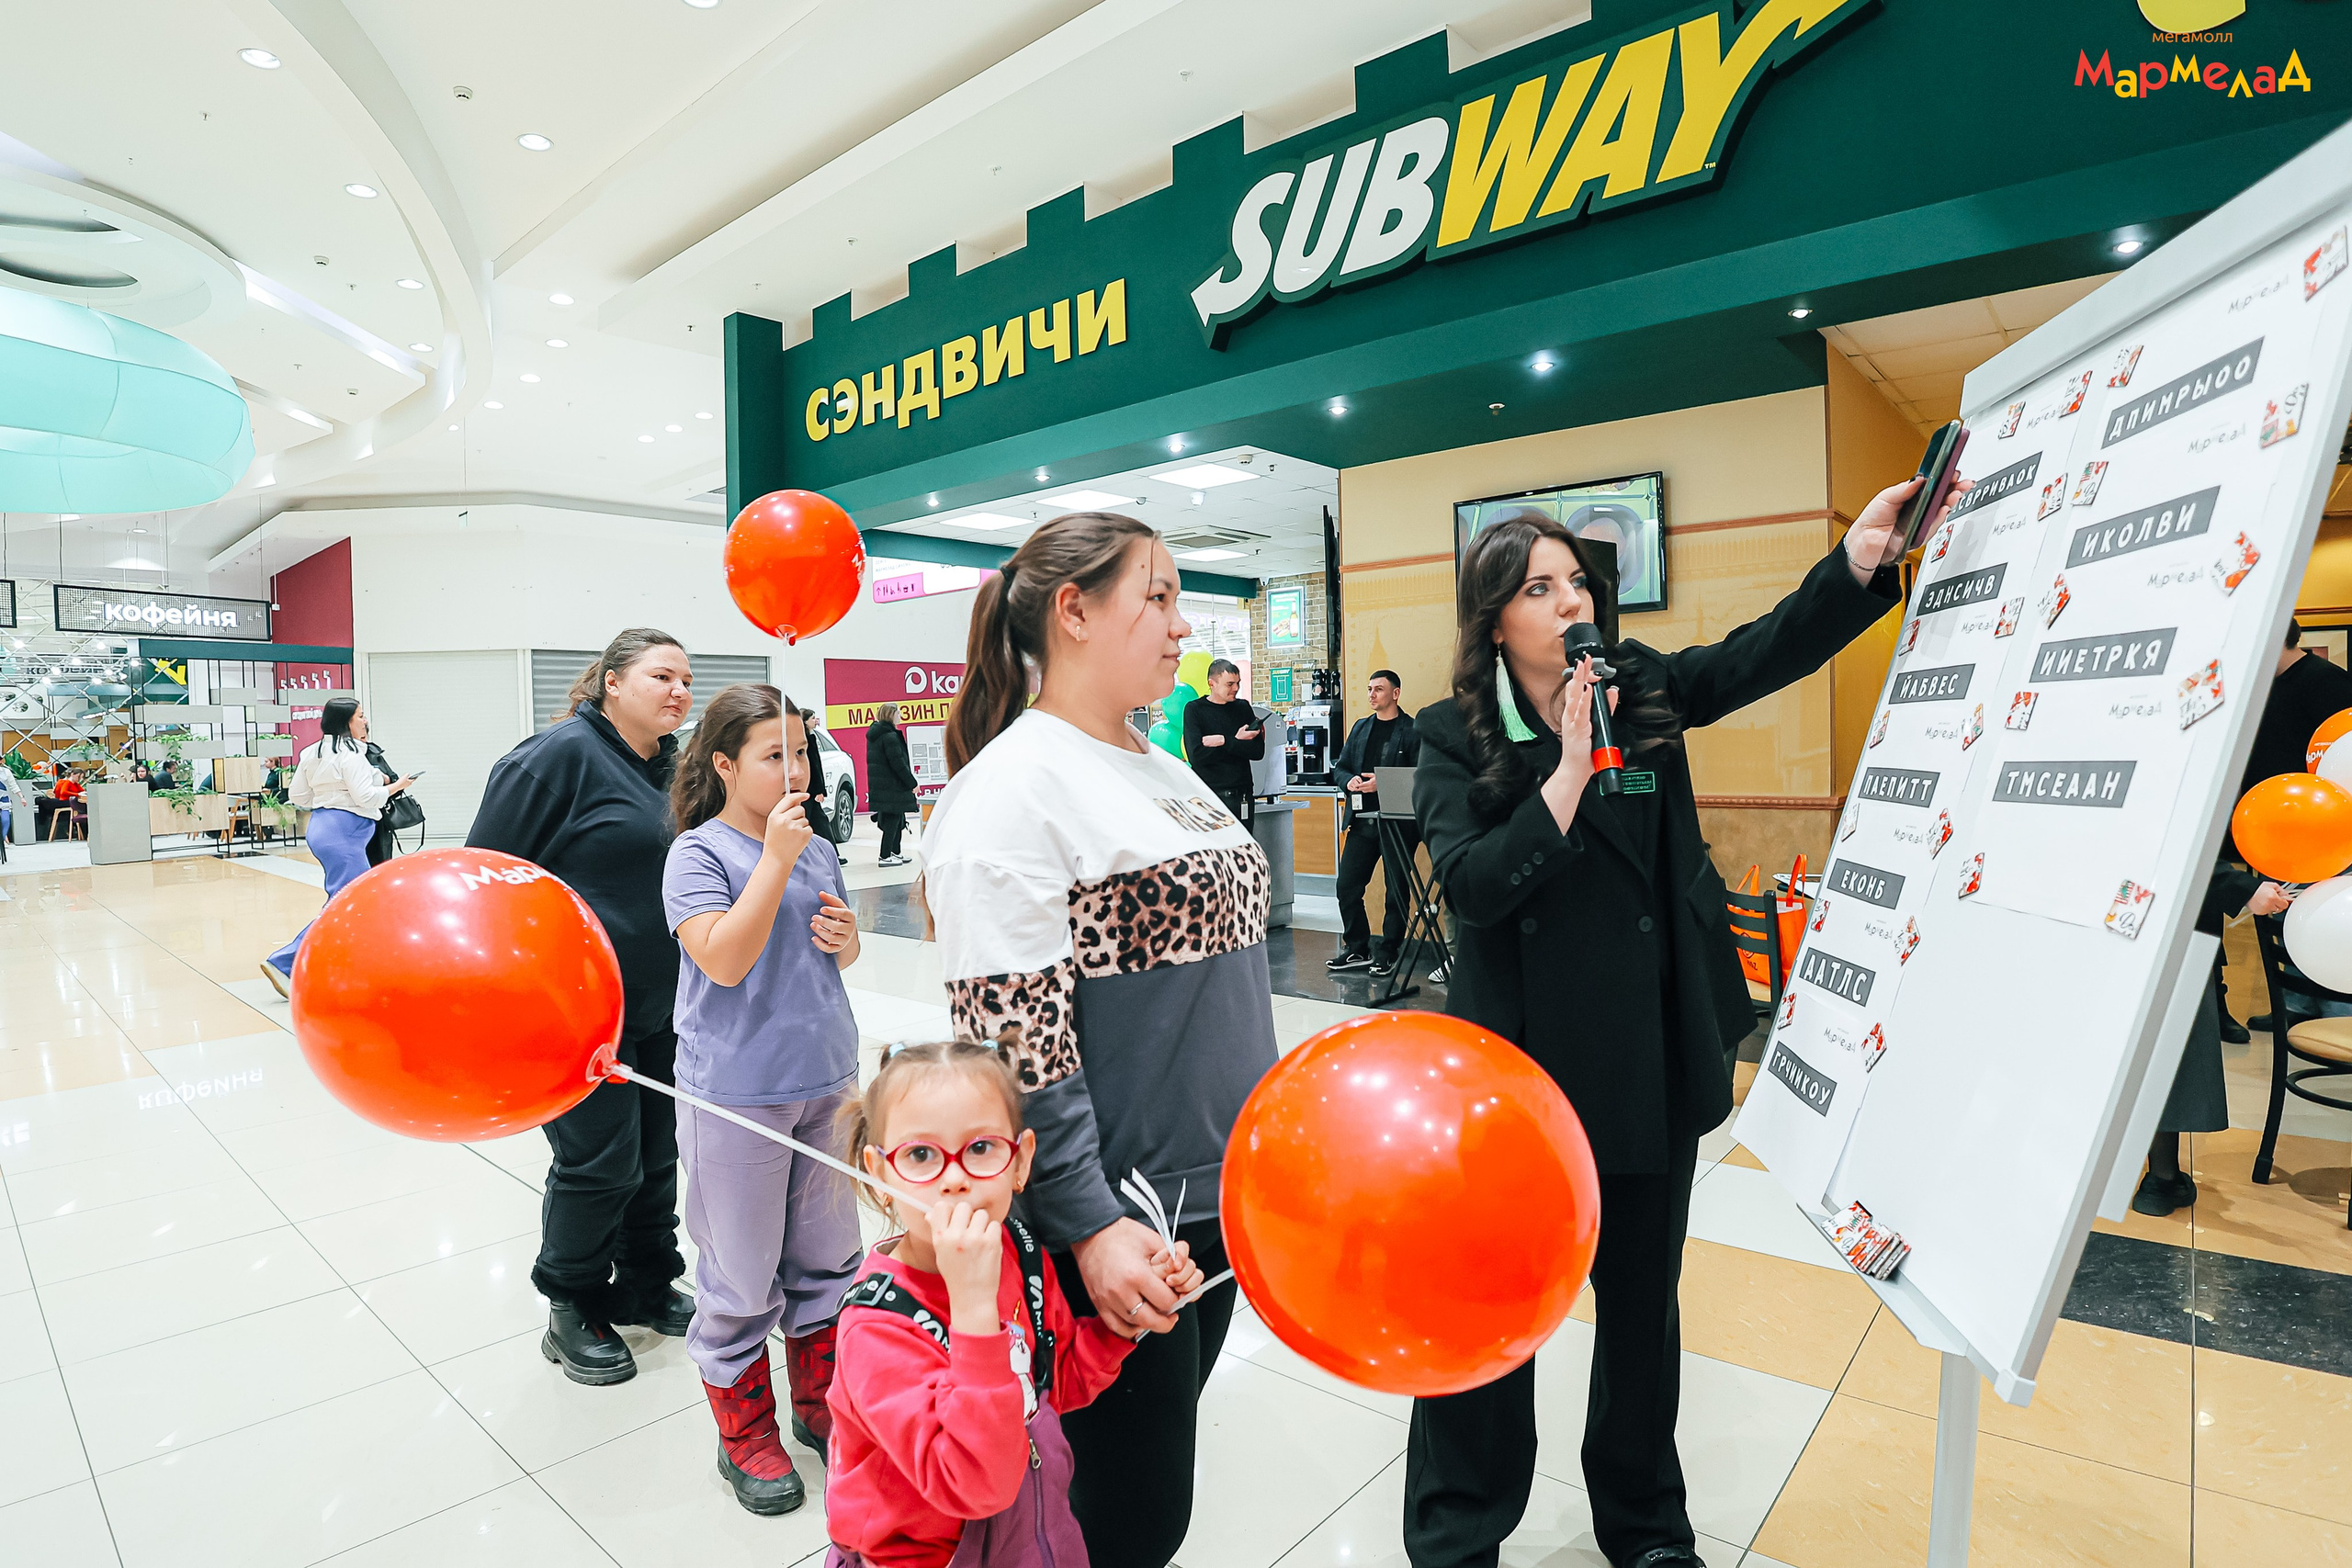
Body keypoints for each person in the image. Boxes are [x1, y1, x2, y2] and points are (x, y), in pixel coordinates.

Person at [1404, 477, 1959, 1568]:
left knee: (1640, 1318)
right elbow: (1471, 888)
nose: (1572, 603)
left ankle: (1647, 1529)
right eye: (1540, 588)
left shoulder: (1638, 685)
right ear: (1493, 619)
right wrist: (1565, 771)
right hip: (1518, 1086)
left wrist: (1853, 565)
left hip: (1650, 1057)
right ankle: (1458, 1533)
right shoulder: (1449, 734)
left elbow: (1755, 656)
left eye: (1577, 582)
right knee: (1490, 1323)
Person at [923, 511, 1275, 1568]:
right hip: (1124, 1224)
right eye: (1157, 597)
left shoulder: (1151, 758)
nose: (1180, 627)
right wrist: (1087, 1225)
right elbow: (1012, 1044)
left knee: (1146, 1489)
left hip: (1216, 1202)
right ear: (1072, 612)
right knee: (1128, 1514)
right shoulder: (1011, 791)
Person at [822, 1041, 1202, 1567]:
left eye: (980, 1149)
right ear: (881, 1175)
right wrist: (974, 1308)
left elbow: (1054, 1381)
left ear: (1020, 1161)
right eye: (921, 1155)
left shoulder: (1018, 1253)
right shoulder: (876, 1330)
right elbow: (975, 1484)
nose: (954, 1178)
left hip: (1034, 1532)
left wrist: (1126, 1322)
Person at [468, 628, 696, 1385]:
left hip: (664, 1005)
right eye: (662, 675)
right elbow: (484, 881)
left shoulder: (672, 767)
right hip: (575, 1013)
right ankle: (571, 1303)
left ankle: (644, 1279)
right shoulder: (555, 758)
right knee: (600, 1161)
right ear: (611, 684)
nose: (679, 691)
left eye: (686, 680)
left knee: (659, 1148)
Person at [665, 682, 865, 1515]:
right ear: (724, 764)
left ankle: (822, 1404)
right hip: (737, 1092)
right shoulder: (698, 854)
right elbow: (722, 959)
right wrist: (775, 858)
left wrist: (846, 939)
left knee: (829, 1259)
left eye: (802, 752)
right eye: (773, 755)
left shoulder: (815, 845)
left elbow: (835, 955)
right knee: (742, 1272)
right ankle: (744, 1430)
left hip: (825, 1078)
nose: (796, 770)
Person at [2132, 854, 2290, 1215]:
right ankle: (2161, 1178)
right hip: (2162, 920)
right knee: (2172, 1053)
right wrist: (2242, 887)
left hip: (2090, 913)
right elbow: (2180, 839)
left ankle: (2150, 1176)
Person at [2235, 620, 2352, 1034]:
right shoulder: (2260, 687)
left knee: (2330, 911)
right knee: (2287, 912)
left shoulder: (2329, 683)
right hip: (2278, 823)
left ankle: (2340, 1014)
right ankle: (2296, 1003)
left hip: (2327, 824)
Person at [258, 699, 414, 996]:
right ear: (346, 722)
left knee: (356, 900)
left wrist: (334, 793)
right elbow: (368, 797)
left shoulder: (312, 753)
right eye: (360, 716)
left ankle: (353, 963)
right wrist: (397, 786)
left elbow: (299, 796)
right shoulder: (352, 755)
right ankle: (285, 962)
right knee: (348, 903)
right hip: (345, 833)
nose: (365, 721)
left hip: (321, 827)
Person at [1329, 670, 1420, 978]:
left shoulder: (1411, 730)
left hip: (1397, 823)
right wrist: (1349, 781)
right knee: (1347, 885)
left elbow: (1419, 777)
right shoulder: (1360, 727)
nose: (1371, 694)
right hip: (1363, 821)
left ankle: (1389, 951)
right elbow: (1340, 768)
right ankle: (1357, 947)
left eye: (1378, 689)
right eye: (1369, 689)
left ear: (1395, 694)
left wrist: (1381, 784)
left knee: (1396, 889)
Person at [1182, 658, 1264, 826]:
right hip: (1209, 796)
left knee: (1244, 848)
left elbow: (1257, 751)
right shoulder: (1195, 710)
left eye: (1238, 683)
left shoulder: (1243, 708)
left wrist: (1224, 741)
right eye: (1230, 684)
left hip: (1243, 794)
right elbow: (1197, 756)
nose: (1236, 688)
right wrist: (1237, 741)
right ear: (1212, 683)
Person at [865, 703, 921, 866]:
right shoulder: (889, 736)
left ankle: (895, 852)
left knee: (898, 818)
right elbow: (899, 763)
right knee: (892, 821)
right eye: (898, 712)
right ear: (891, 715)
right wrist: (912, 783)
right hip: (892, 786)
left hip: (885, 786)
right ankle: (885, 855)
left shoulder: (878, 734)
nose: (900, 715)